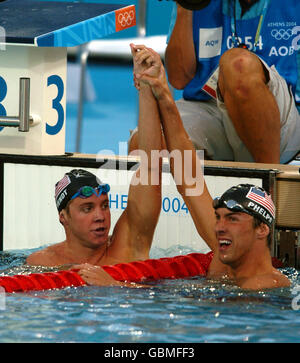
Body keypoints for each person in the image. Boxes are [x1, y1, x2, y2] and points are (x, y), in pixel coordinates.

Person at [133, 45, 290, 289]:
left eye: (232, 219)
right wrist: (162, 93)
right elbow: (188, 175)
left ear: (262, 229)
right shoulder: (222, 259)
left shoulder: (270, 285)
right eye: (219, 217)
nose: (219, 227)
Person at [26, 44, 164, 286]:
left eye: (104, 205)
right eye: (87, 208)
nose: (101, 216)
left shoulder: (128, 246)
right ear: (63, 217)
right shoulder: (41, 264)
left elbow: (151, 165)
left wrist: (146, 86)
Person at [129, 0, 300, 164]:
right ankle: (210, 187)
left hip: (279, 113)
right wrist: (185, 7)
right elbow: (179, 79)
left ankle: (267, 186)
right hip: (209, 109)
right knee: (145, 146)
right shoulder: (196, 4)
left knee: (238, 65)